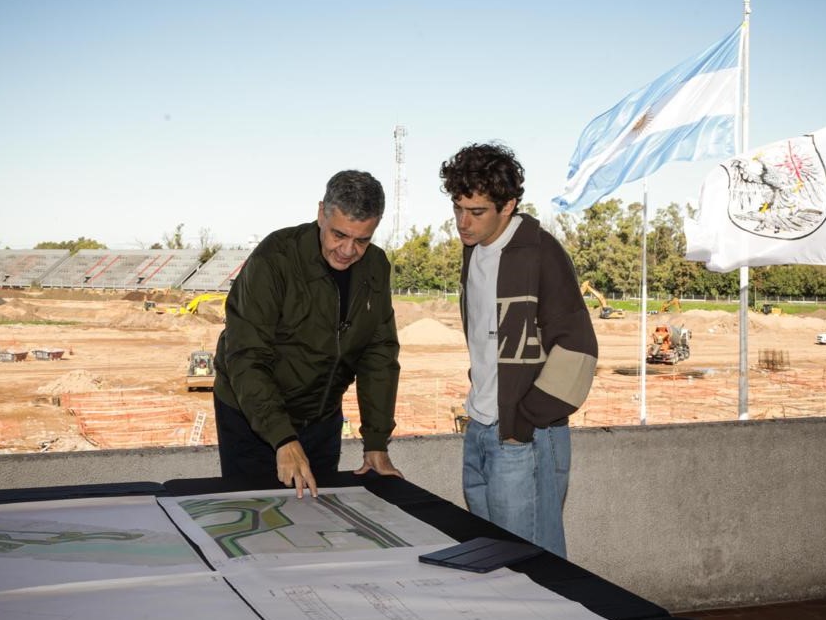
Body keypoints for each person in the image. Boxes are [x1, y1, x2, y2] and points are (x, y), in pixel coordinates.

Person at [439, 143, 597, 557]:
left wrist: (524, 421)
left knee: (531, 565)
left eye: (476, 212)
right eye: (458, 209)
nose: (463, 223)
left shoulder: (541, 253)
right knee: (492, 560)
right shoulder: (473, 252)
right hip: (479, 427)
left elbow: (578, 347)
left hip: (524, 436)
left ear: (507, 206)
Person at [213, 170, 403, 498]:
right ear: (321, 214)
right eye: (339, 235)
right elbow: (247, 356)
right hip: (252, 417)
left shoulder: (375, 266)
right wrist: (283, 438)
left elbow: (379, 355)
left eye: (362, 240)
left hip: (321, 417)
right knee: (258, 513)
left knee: (316, 515)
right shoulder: (275, 259)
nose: (348, 250)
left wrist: (376, 442)